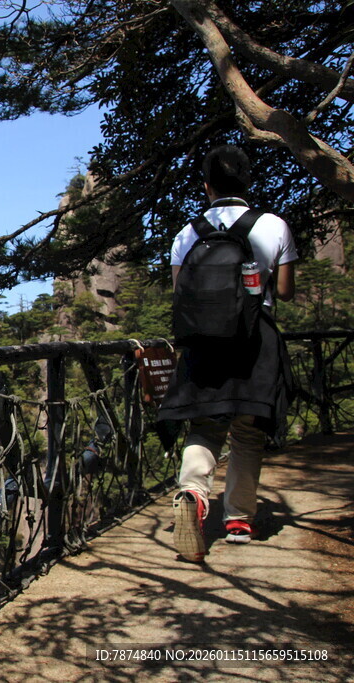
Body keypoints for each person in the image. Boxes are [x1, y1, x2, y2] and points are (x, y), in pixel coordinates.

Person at [158, 145, 298, 563]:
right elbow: (286, 291)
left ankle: (193, 495)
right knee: (247, 431)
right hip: (256, 341)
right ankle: (238, 519)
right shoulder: (273, 225)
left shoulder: (188, 233)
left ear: (206, 186)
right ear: (248, 181)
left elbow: (181, 294)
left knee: (204, 426)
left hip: (204, 343)